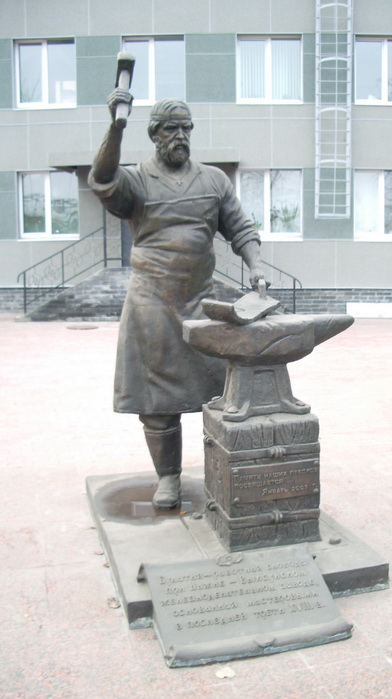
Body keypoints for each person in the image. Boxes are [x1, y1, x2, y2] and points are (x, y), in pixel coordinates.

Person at [88, 88, 265, 509]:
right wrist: (116, 127)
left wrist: (256, 266)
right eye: (171, 128)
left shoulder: (213, 180)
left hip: (201, 302)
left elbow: (240, 228)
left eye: (186, 128)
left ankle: (220, 468)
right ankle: (168, 477)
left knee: (222, 393)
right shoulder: (136, 179)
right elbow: (104, 181)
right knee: (157, 399)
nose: (180, 136)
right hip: (151, 302)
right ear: (154, 134)